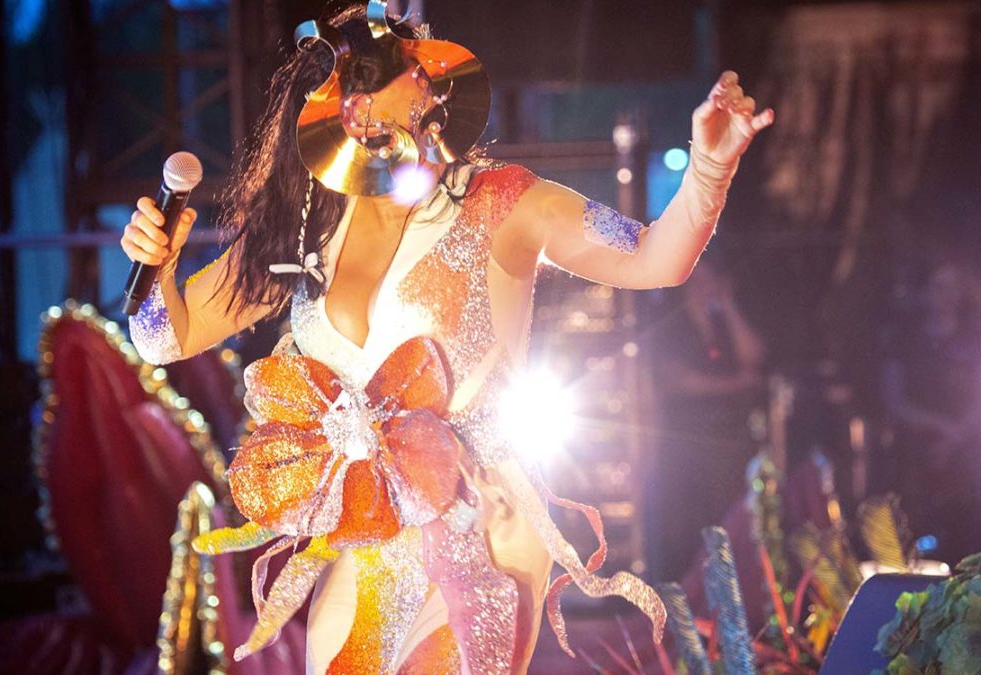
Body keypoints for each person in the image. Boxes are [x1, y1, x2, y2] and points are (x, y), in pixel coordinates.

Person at [121, 3, 774, 672]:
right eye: (407, 72)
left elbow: (655, 259)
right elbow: (164, 338)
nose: (428, 83)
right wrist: (155, 269)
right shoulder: (305, 225)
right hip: (365, 536)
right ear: (353, 110)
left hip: (483, 522)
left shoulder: (506, 201)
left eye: (425, 70)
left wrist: (709, 170)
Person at [648, 259, 767, 581]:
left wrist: (728, 306)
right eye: (698, 280)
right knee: (689, 528)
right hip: (686, 441)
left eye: (710, 279)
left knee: (730, 519)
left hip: (728, 441)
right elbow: (678, 380)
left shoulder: (723, 324)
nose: (705, 287)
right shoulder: (671, 326)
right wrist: (735, 384)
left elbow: (754, 357)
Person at [879, 260, 981, 563]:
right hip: (915, 449)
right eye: (939, 286)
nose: (946, 295)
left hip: (965, 450)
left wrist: (955, 438)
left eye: (953, 287)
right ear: (925, 292)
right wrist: (939, 429)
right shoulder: (905, 340)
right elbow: (895, 401)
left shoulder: (973, 338)